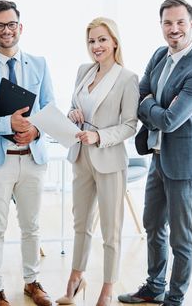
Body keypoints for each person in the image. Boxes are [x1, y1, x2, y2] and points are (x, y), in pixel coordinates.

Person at [118, 0, 192, 306]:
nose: (174, 29)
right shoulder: (160, 54)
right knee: (153, 225)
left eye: (180, 22)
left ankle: (174, 298)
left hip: (185, 164)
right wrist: (153, 105)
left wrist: (151, 105)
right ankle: (155, 286)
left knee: (180, 237)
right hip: (158, 156)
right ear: (161, 25)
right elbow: (140, 94)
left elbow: (172, 121)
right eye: (167, 23)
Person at [0, 0, 55, 306]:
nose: (7, 30)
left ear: (21, 27)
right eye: (0, 25)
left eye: (11, 24)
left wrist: (36, 130)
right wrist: (9, 122)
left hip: (32, 157)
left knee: (31, 225)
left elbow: (48, 107)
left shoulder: (40, 64)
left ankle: (32, 282)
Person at [56, 17, 139, 306]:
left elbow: (130, 125)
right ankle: (75, 279)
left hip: (109, 160)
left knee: (110, 230)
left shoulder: (127, 79)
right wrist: (72, 114)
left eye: (102, 39)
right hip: (80, 157)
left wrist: (100, 137)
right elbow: (73, 107)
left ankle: (107, 289)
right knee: (81, 224)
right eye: (92, 41)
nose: (96, 46)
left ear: (114, 41)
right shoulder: (83, 71)